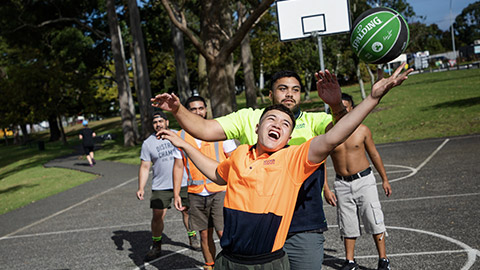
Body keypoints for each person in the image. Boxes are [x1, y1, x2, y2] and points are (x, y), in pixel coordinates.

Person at [156, 63, 412, 269]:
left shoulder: (295, 154)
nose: (289, 94)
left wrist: (369, 98)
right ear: (258, 123)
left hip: (300, 225)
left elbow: (339, 133)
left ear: (289, 139)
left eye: (295, 89)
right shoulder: (242, 148)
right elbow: (215, 166)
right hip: (237, 252)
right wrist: (180, 123)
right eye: (282, 89)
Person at [326, 93, 392, 270]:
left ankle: (383, 260)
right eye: (337, 109)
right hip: (341, 183)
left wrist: (384, 179)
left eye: (345, 108)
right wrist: (326, 188)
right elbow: (321, 162)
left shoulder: (362, 130)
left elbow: (374, 155)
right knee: (347, 223)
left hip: (364, 180)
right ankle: (350, 261)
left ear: (352, 109)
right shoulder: (329, 131)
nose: (341, 111)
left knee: (374, 218)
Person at [173, 96, 237, 270]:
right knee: (203, 235)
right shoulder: (180, 136)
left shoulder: (220, 131)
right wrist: (177, 193)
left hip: (220, 190)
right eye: (193, 109)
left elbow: (235, 160)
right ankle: (210, 266)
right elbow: (178, 166)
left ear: (206, 110)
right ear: (186, 112)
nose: (198, 112)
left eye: (201, 108)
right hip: (195, 192)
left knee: (223, 232)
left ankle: (232, 264)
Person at [136, 111, 200, 262]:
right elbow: (145, 167)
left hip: (183, 182)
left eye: (160, 121)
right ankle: (156, 244)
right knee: (158, 215)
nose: (158, 124)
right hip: (161, 185)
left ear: (167, 122)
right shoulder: (148, 143)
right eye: (155, 122)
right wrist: (141, 187)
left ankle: (192, 237)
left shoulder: (178, 135)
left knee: (186, 212)